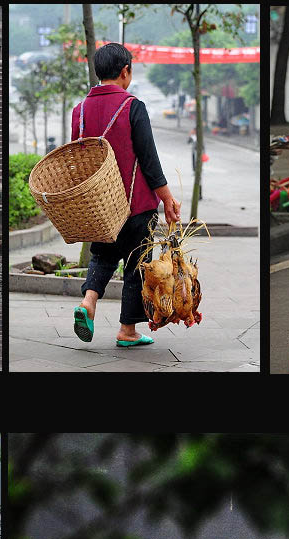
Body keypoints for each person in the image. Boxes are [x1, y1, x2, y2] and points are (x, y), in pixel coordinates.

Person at [71, 42, 181, 348]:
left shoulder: (78, 112)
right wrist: (167, 198)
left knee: (103, 256)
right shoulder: (133, 107)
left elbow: (76, 159)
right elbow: (149, 159)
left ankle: (88, 303)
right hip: (136, 205)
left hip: (101, 207)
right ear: (125, 71)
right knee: (136, 264)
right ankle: (127, 330)